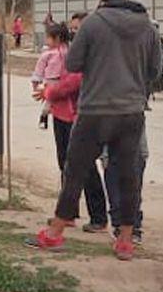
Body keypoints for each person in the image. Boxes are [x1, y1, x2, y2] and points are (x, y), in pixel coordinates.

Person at [30, 0, 162, 261]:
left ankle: (55, 233)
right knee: (128, 174)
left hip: (94, 110)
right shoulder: (147, 27)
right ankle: (125, 239)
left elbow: (75, 63)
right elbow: (155, 71)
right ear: (126, 1)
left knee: (75, 169)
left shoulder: (93, 24)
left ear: (102, 2)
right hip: (130, 112)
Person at [34, 23, 109, 231]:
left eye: (78, 28)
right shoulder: (68, 53)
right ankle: (69, 212)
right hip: (61, 114)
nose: (75, 32)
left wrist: (50, 92)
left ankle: (99, 216)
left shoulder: (79, 55)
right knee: (65, 165)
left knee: (83, 166)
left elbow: (72, 82)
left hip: (76, 116)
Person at [103, 126, 148, 245]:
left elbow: (141, 128)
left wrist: (143, 152)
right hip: (113, 153)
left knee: (134, 192)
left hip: (134, 153)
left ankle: (135, 227)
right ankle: (118, 225)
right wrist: (105, 155)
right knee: (114, 192)